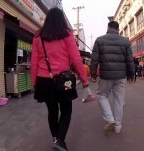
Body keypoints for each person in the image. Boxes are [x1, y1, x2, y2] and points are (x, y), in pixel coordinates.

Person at [31, 8, 89, 151]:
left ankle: (57, 140)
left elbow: (34, 62)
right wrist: (84, 79)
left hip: (44, 80)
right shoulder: (67, 35)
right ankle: (60, 140)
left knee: (52, 112)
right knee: (66, 110)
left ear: (47, 19)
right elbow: (76, 59)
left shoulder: (38, 36)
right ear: (61, 19)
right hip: (64, 80)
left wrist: (34, 83)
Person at [90, 21, 134, 134]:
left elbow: (94, 59)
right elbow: (130, 59)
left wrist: (93, 74)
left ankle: (110, 119)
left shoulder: (99, 40)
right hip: (121, 76)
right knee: (119, 100)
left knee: (101, 95)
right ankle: (118, 126)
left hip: (105, 75)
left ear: (108, 27)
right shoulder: (125, 41)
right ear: (118, 29)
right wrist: (131, 74)